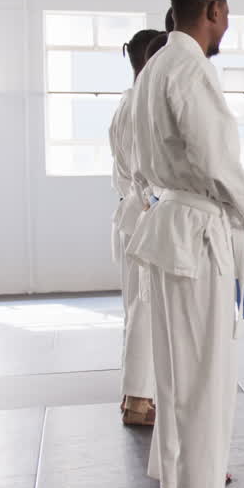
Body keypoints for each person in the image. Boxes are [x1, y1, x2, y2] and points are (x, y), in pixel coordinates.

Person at [127, 0, 244, 488]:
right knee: (204, 378)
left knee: (175, 376)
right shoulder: (190, 69)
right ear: (214, 10)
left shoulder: (153, 71)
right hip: (194, 235)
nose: (228, 24)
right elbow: (216, 162)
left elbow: (188, 161)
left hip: (170, 226)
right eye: (227, 13)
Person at [109, 28, 162, 427]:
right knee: (144, 311)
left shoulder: (125, 104)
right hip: (143, 214)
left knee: (137, 310)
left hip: (131, 215)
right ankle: (140, 401)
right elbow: (146, 171)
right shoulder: (141, 105)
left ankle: (134, 396)